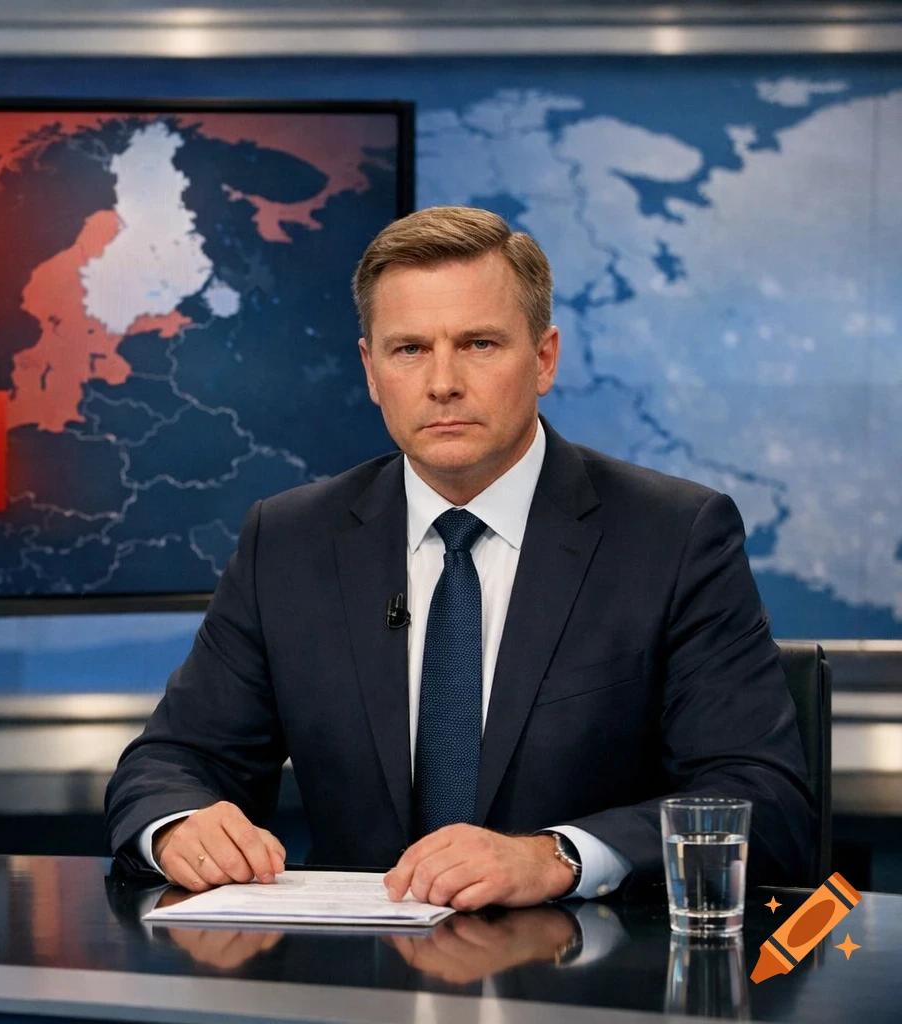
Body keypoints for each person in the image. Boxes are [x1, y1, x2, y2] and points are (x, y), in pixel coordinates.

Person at [104, 206, 814, 909]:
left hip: (590, 986)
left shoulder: (672, 537)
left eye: (478, 344)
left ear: (543, 358)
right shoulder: (291, 542)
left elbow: (761, 797)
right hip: (358, 990)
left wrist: (558, 856)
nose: (442, 382)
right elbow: (173, 761)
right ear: (371, 370)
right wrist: (177, 827)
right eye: (409, 349)